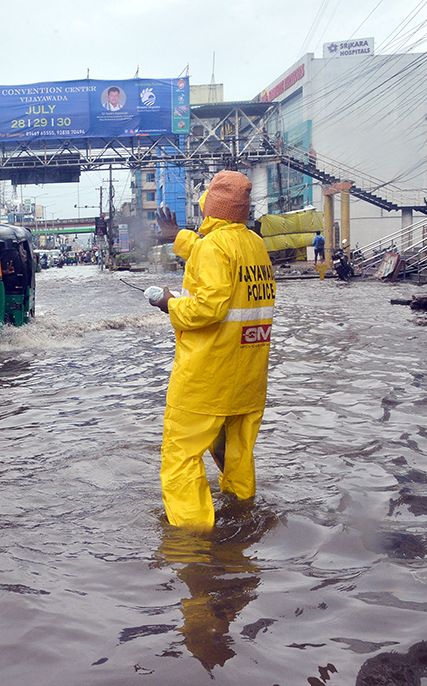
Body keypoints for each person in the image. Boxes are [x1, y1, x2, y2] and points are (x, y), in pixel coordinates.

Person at [149, 170, 276, 530]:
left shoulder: (212, 248)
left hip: (206, 376)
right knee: (238, 454)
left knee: (181, 457)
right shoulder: (253, 244)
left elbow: (208, 308)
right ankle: (242, 515)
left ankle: (192, 541)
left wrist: (169, 304)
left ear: (210, 207)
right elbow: (216, 252)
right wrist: (179, 239)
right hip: (247, 375)